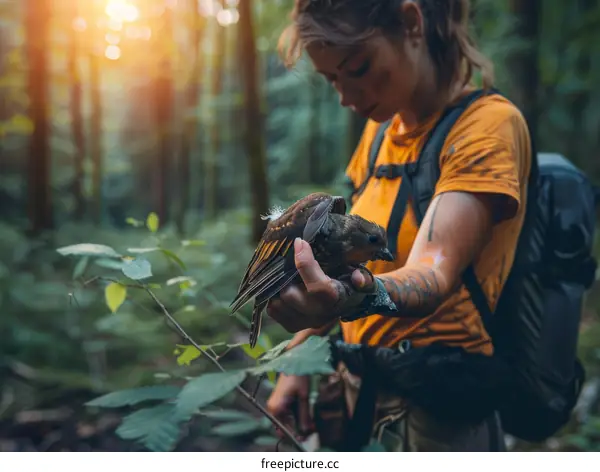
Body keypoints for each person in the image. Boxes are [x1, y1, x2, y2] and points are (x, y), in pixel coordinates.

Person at [265, 0, 532, 452]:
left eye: (359, 67)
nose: (346, 97)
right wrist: (298, 359)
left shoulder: (486, 128)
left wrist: (354, 295)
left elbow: (433, 272)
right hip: (362, 395)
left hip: (440, 412)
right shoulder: (379, 136)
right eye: (332, 79)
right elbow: (343, 261)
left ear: (411, 23)